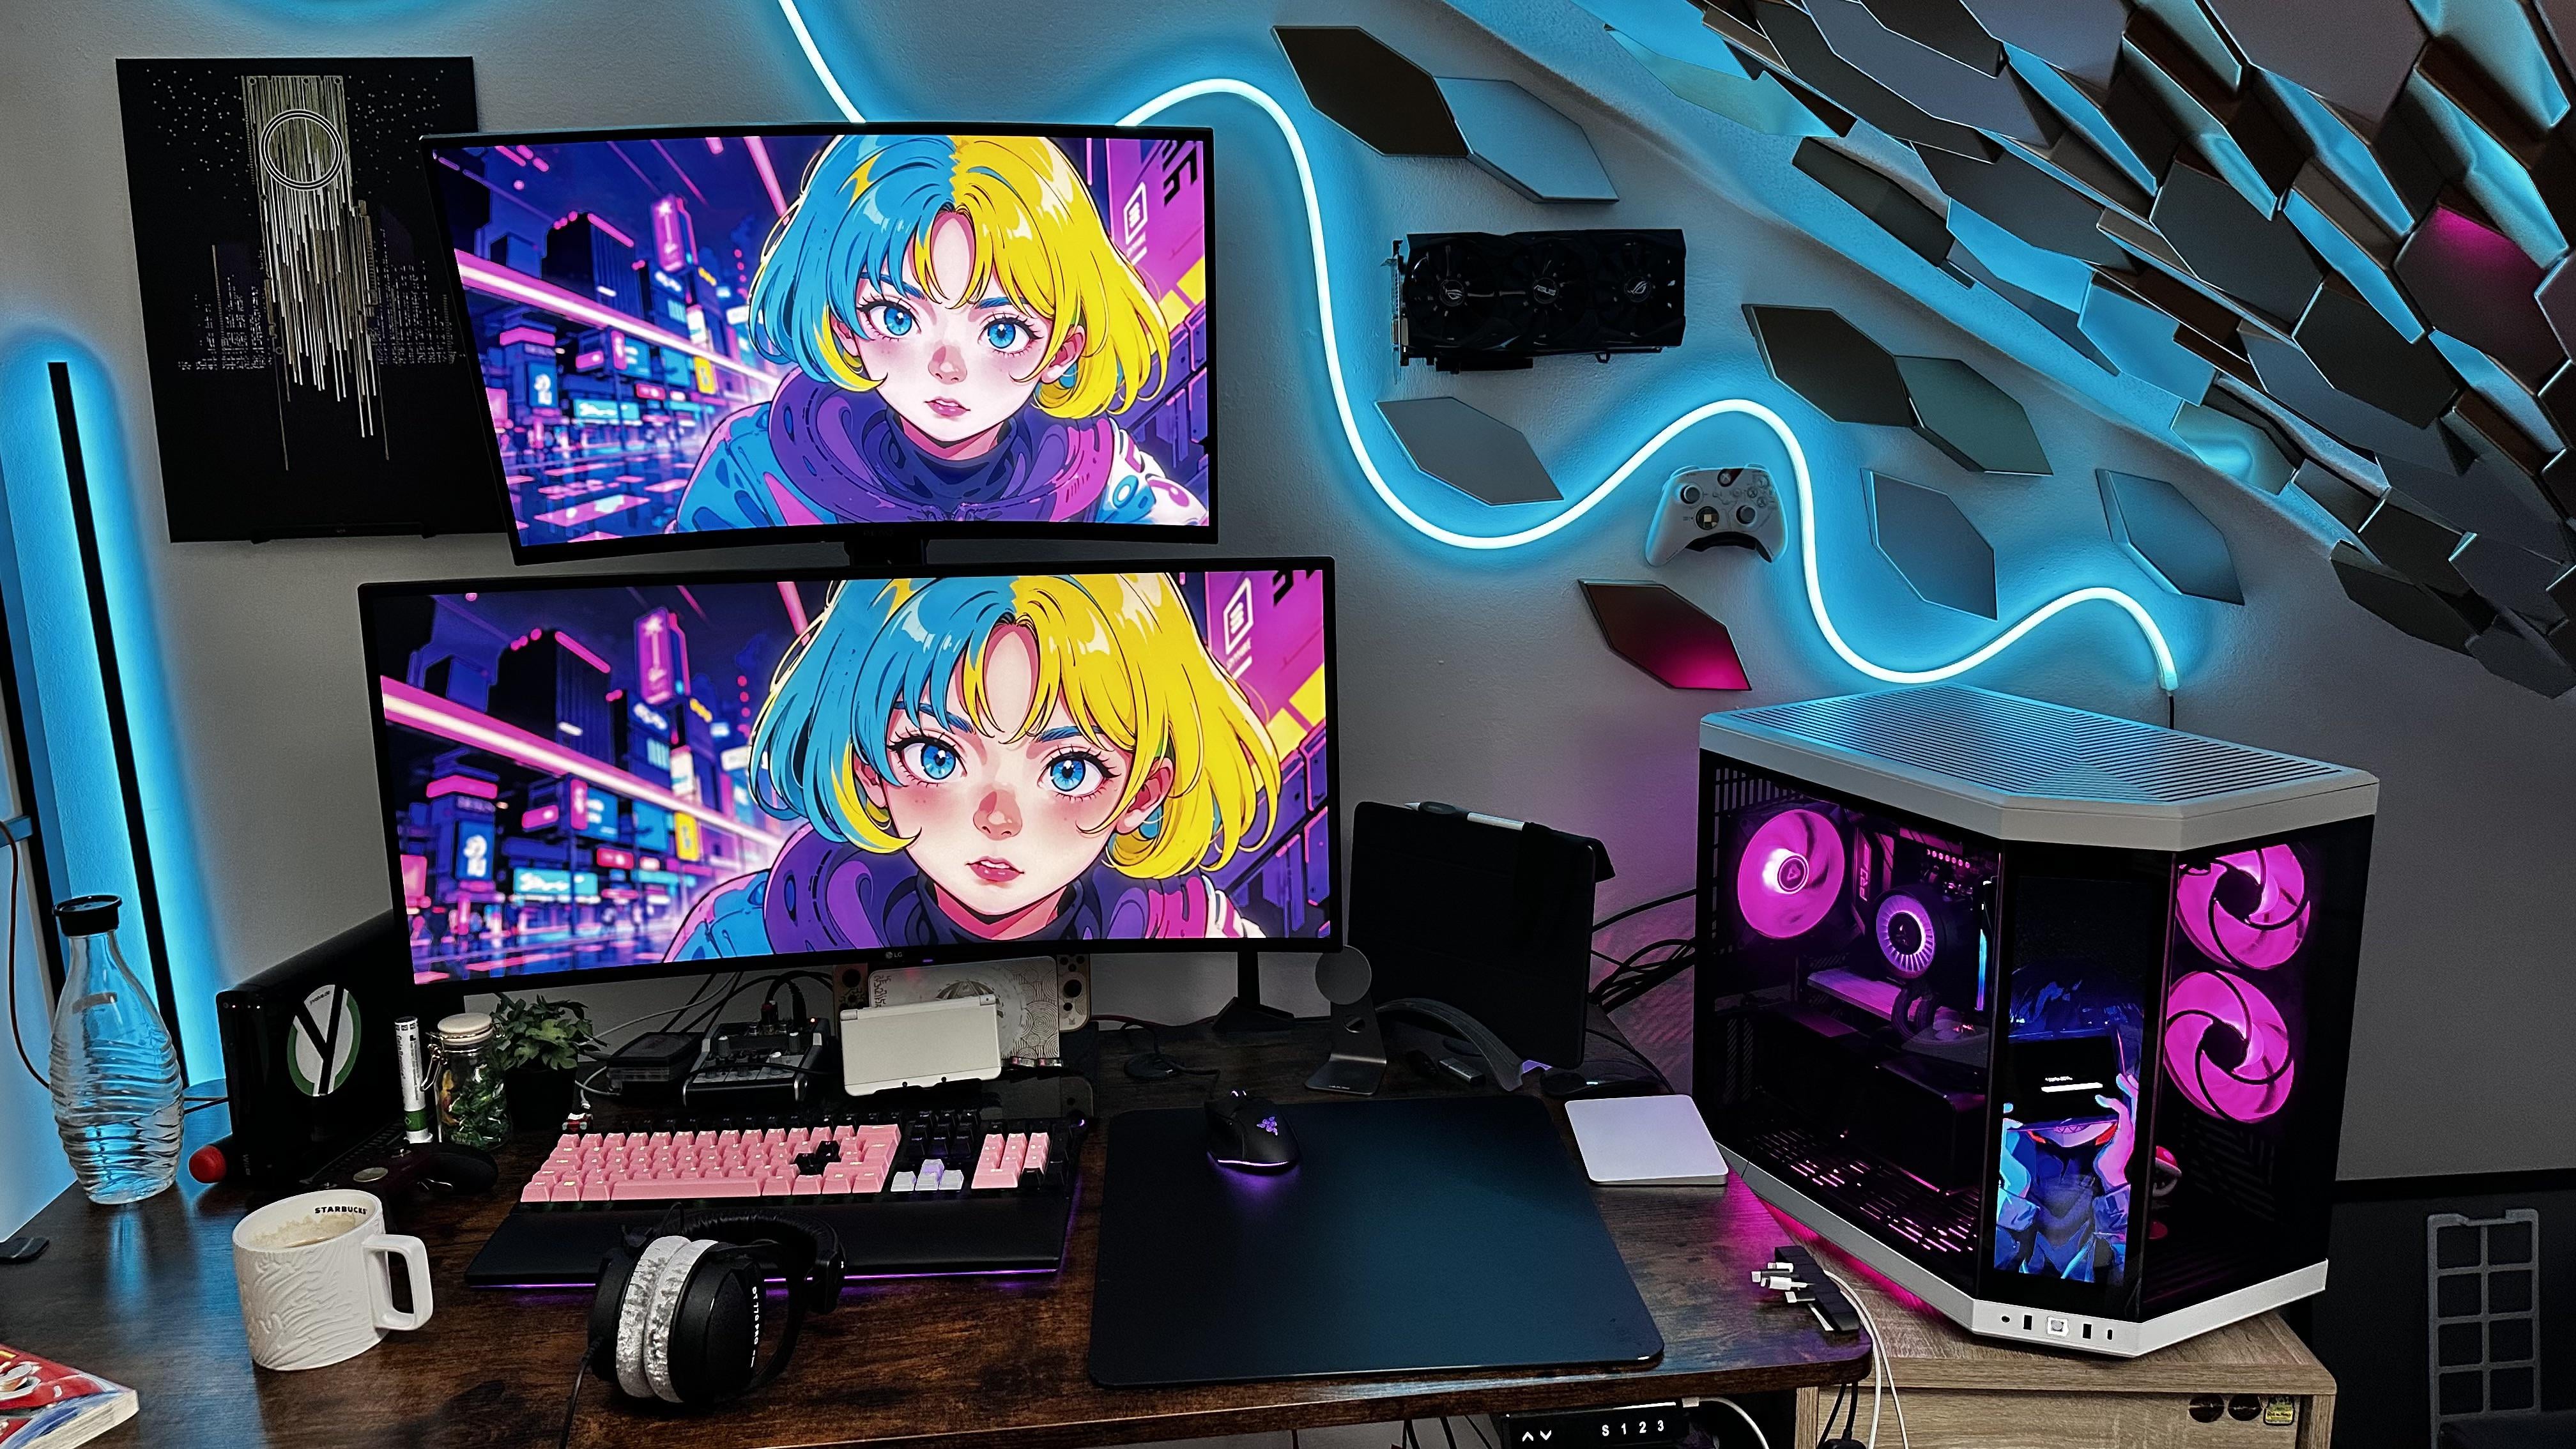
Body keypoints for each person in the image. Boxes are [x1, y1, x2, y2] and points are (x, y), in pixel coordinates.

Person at [667, 573, 1279, 956]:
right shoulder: (746, 937)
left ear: (1143, 795)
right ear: (867, 767)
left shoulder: (1196, 937)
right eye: (937, 757)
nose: (998, 819)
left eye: (1069, 769)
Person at [671, 134, 1203, 532]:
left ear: (1063, 351)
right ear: (842, 325)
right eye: (897, 318)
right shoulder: (756, 467)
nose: (947, 368)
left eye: (1002, 331)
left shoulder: (1099, 474)